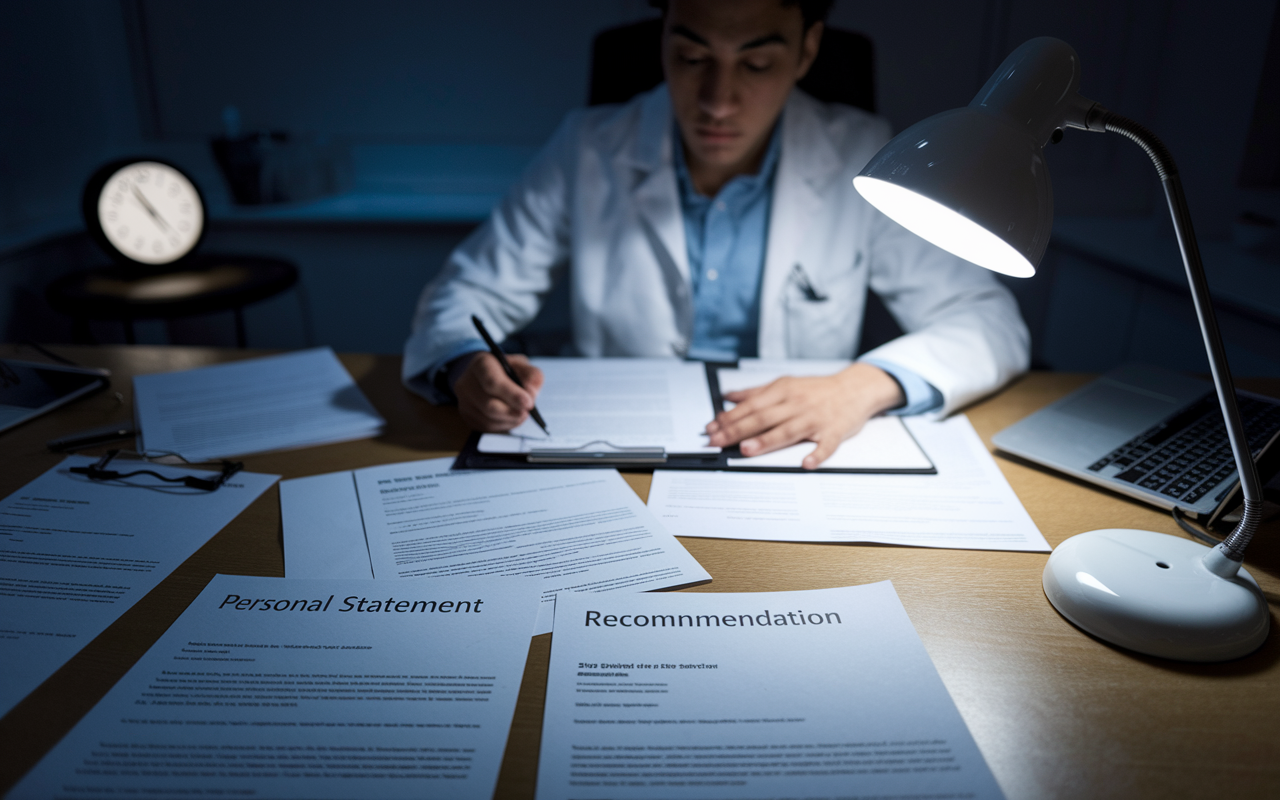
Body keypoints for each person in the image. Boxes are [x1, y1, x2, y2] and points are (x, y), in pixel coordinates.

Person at [402, 0, 1029, 468]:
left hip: (785, 459)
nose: (718, 101)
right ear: (663, 38)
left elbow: (988, 321)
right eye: (692, 57)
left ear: (808, 51)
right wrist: (464, 363)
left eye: (756, 63)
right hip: (619, 459)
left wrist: (862, 385)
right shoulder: (590, 147)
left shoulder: (863, 155)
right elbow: (466, 295)